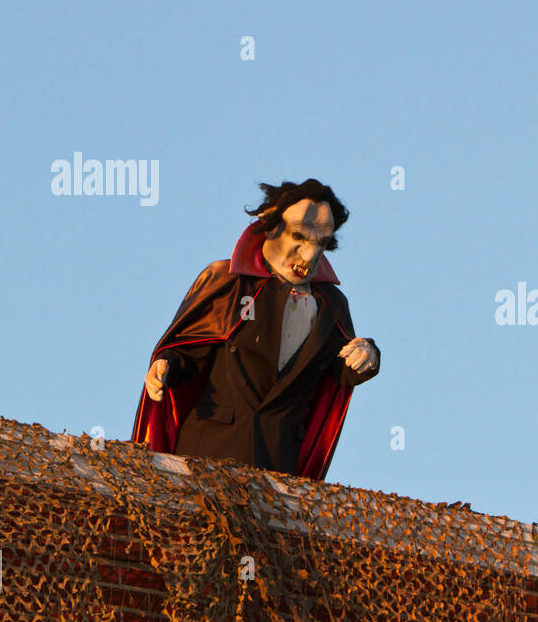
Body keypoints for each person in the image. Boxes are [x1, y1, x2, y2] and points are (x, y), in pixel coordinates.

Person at [132, 178, 380, 479]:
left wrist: (367, 354)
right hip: (204, 455)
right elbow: (189, 349)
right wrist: (165, 364)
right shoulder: (228, 282)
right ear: (272, 227)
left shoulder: (332, 304)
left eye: (321, 243)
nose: (310, 255)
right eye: (299, 237)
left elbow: (340, 369)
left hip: (279, 466)